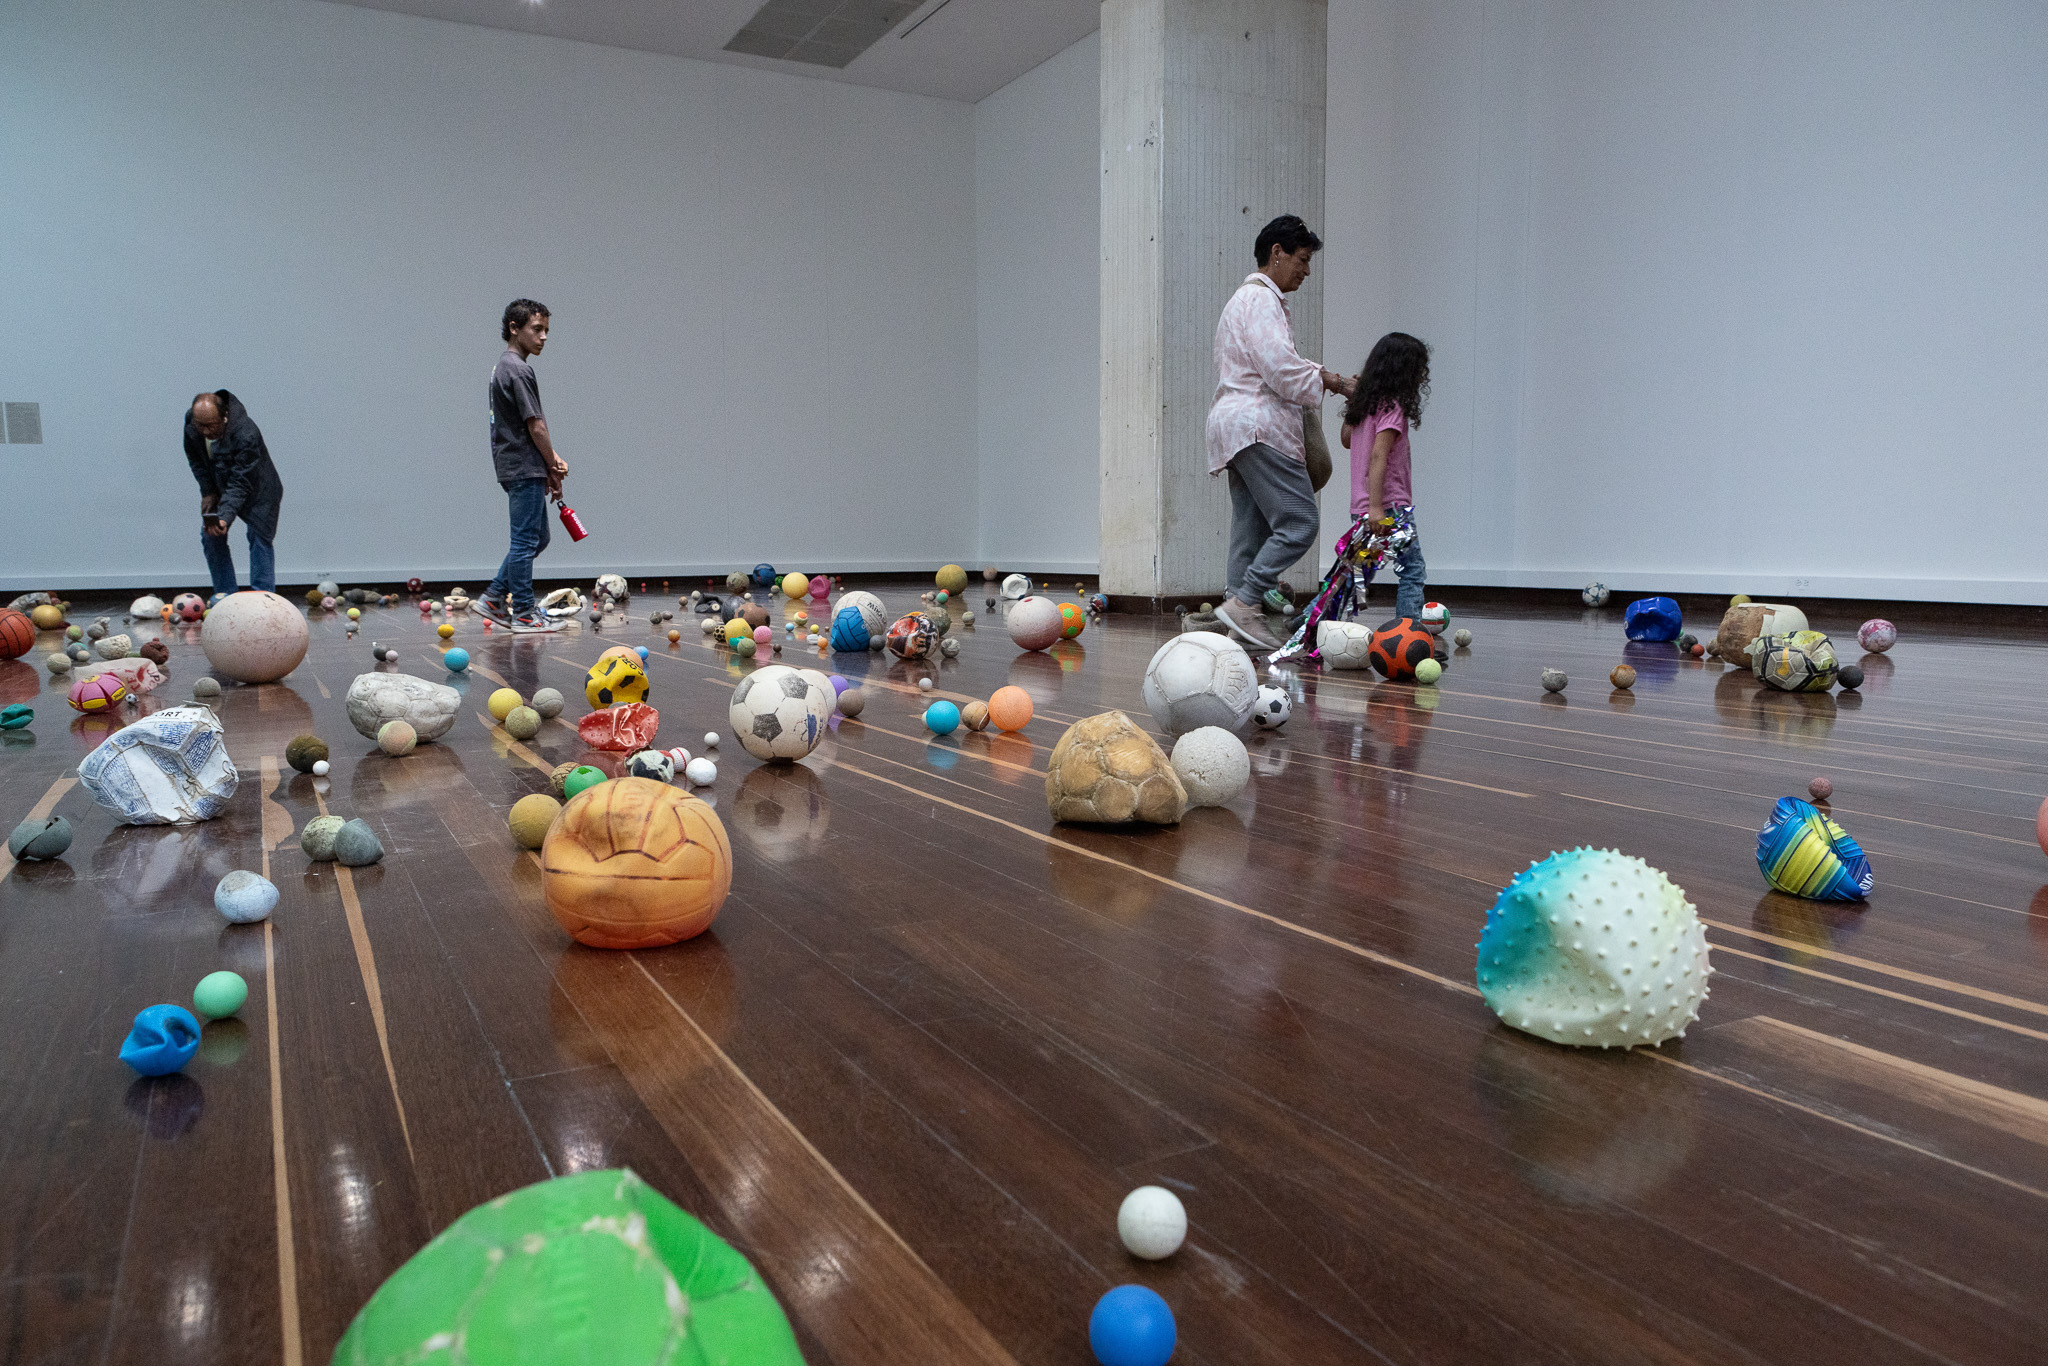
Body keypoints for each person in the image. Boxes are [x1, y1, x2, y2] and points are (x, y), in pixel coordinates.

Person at [1205, 215, 1353, 651]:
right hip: (1257, 427)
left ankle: (1237, 629)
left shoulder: (1244, 301)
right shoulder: (1260, 300)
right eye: (1302, 259)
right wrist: (1335, 381)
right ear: (1277, 253)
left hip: (1236, 430)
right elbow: (1282, 370)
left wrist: (1326, 380)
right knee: (1300, 521)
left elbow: (1275, 365)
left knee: (1250, 530)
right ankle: (1245, 602)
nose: (1306, 271)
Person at [479, 299, 570, 633]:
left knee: (538, 538)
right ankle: (524, 614)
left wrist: (549, 462)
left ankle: (493, 598)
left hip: (520, 464)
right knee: (524, 542)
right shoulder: (518, 369)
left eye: (546, 330)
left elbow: (528, 425)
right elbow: (536, 426)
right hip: (523, 465)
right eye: (537, 329)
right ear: (514, 328)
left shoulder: (504, 367)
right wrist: (553, 463)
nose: (543, 337)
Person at [1341, 332, 1431, 621]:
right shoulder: (1393, 406)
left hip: (1363, 507)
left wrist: (1352, 402)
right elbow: (1378, 455)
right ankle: (1408, 632)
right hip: (1389, 508)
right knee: (1412, 569)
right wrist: (1377, 508)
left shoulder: (1366, 405)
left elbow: (1346, 440)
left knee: (1358, 573)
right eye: (1418, 370)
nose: (1422, 377)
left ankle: (1314, 624)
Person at [184, 390, 284, 598]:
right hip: (220, 484)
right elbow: (195, 459)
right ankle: (225, 597)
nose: (205, 431)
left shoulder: (246, 433)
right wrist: (208, 491)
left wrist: (225, 516)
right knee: (211, 535)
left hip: (259, 489)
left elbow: (241, 481)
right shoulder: (192, 423)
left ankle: (262, 600)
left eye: (211, 425)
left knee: (259, 538)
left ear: (224, 417)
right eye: (200, 425)